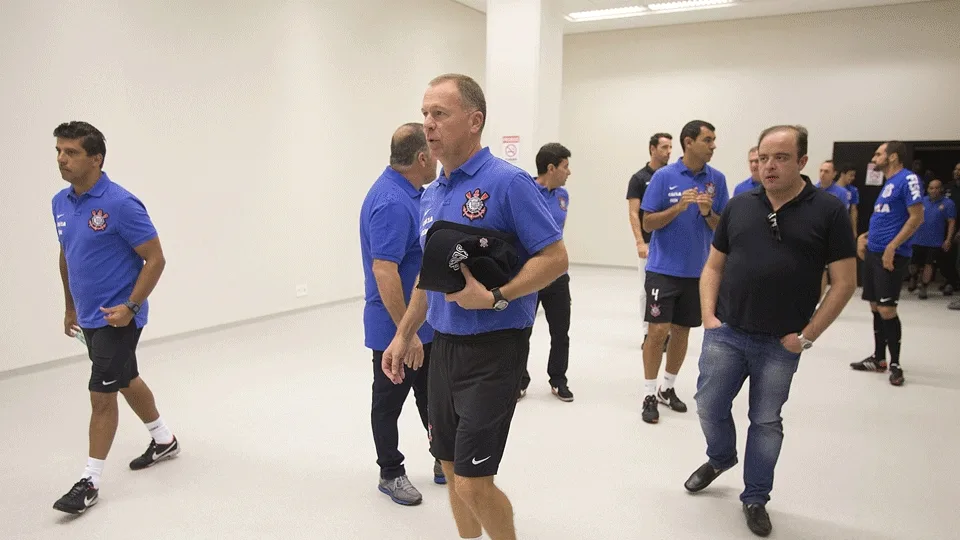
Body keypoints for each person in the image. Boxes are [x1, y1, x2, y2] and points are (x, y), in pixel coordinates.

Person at [382, 73, 568, 540]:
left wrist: (497, 296)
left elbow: (555, 258)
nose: (428, 124)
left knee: (472, 478)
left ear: (474, 120)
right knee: (448, 464)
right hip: (444, 345)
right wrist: (404, 334)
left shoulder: (508, 183)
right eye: (425, 113)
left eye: (439, 114)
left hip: (494, 348)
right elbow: (430, 278)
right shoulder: (431, 194)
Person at [685, 125, 857, 537]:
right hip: (726, 332)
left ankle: (756, 496)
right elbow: (713, 266)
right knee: (708, 404)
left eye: (780, 158)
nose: (769, 166)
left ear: (801, 162)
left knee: (765, 421)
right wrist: (709, 316)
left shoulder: (828, 211)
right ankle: (721, 457)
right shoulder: (741, 205)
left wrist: (808, 335)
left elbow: (845, 282)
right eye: (763, 157)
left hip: (781, 343)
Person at [50, 121, 178, 515]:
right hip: (88, 317)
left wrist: (132, 307)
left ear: (96, 158)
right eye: (58, 151)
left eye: (71, 152)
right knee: (125, 378)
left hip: (117, 319)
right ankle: (164, 439)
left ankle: (89, 481)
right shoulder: (60, 202)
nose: (61, 159)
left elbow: (155, 259)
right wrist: (70, 305)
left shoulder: (120, 204)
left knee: (100, 395)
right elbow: (68, 254)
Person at [360, 123, 446, 506]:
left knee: (433, 398)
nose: (438, 158)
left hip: (421, 324)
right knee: (389, 401)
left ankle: (443, 458)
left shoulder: (411, 194)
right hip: (394, 327)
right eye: (433, 150)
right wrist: (405, 335)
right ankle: (390, 472)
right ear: (422, 157)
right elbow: (384, 270)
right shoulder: (392, 201)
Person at [639, 120, 728, 424]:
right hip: (662, 269)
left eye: (714, 140)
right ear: (689, 142)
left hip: (698, 272)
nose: (713, 145)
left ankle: (668, 388)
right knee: (657, 332)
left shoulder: (717, 180)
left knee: (681, 332)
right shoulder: (664, 177)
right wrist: (677, 209)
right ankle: (649, 392)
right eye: (708, 140)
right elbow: (648, 223)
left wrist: (707, 213)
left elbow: (722, 228)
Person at [850, 141, 924, 386]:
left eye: (879, 153)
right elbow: (887, 218)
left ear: (893, 157)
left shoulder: (908, 179)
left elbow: (916, 217)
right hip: (873, 253)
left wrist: (892, 246)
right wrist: (865, 238)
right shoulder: (888, 183)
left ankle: (895, 364)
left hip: (891, 255)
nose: (875, 157)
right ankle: (879, 358)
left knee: (887, 309)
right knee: (874, 306)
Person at [519, 142, 574, 402]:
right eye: (565, 166)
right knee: (523, 329)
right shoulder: (525, 191)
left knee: (560, 330)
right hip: (530, 273)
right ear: (551, 168)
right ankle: (519, 379)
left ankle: (558, 378)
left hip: (557, 275)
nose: (569, 172)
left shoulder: (563, 196)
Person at [626, 133, 673, 345]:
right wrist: (639, 241)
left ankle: (667, 332)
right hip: (650, 244)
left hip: (671, 243)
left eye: (671, 147)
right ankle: (647, 332)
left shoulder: (673, 176)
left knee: (671, 289)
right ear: (652, 149)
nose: (669, 151)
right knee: (647, 288)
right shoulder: (639, 179)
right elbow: (634, 213)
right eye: (664, 147)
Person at [910, 179, 956, 299]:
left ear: (941, 189)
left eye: (936, 188)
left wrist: (948, 239)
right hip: (917, 238)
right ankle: (914, 277)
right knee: (913, 264)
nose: (934, 190)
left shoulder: (948, 203)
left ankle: (924, 287)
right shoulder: (921, 201)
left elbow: (951, 222)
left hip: (935, 241)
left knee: (929, 264)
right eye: (931, 188)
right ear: (928, 189)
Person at [836, 163, 860, 236]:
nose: (853, 178)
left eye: (854, 176)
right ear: (843, 174)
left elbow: (853, 210)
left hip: (844, 223)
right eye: (851, 175)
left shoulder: (853, 190)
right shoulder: (830, 188)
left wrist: (854, 230)